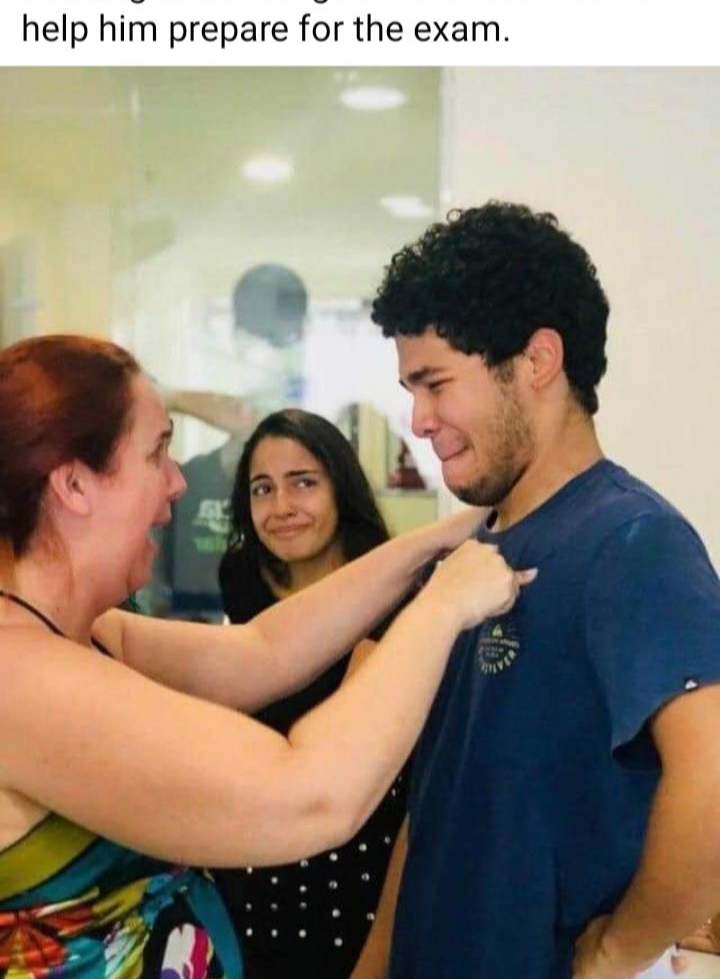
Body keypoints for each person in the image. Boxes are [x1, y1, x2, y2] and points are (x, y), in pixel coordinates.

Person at [0, 334, 531, 979]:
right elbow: (310, 794)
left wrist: (442, 539)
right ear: (76, 484)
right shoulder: (17, 675)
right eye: (157, 453)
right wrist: (443, 608)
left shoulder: (90, 631)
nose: (177, 484)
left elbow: (260, 653)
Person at [369, 202, 720, 979]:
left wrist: (619, 950)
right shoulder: (466, 558)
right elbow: (432, 803)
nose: (419, 421)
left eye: (436, 383)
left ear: (536, 361)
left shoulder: (631, 541)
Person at [215, 408, 407, 978]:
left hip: (357, 863)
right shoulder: (243, 579)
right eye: (262, 488)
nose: (282, 508)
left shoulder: (392, 590)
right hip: (250, 864)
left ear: (340, 488)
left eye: (303, 482)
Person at [156, 263, 308, 619]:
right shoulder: (188, 484)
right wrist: (178, 399)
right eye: (258, 338)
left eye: (280, 339)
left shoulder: (320, 481)